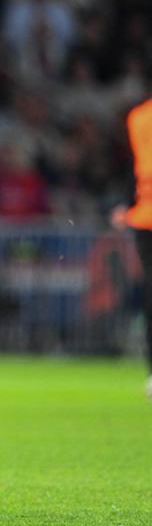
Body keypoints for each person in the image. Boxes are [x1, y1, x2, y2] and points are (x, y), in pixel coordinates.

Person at [111, 95, 152, 397]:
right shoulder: (137, 117)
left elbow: (135, 165)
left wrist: (126, 203)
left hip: (144, 216)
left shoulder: (138, 116)